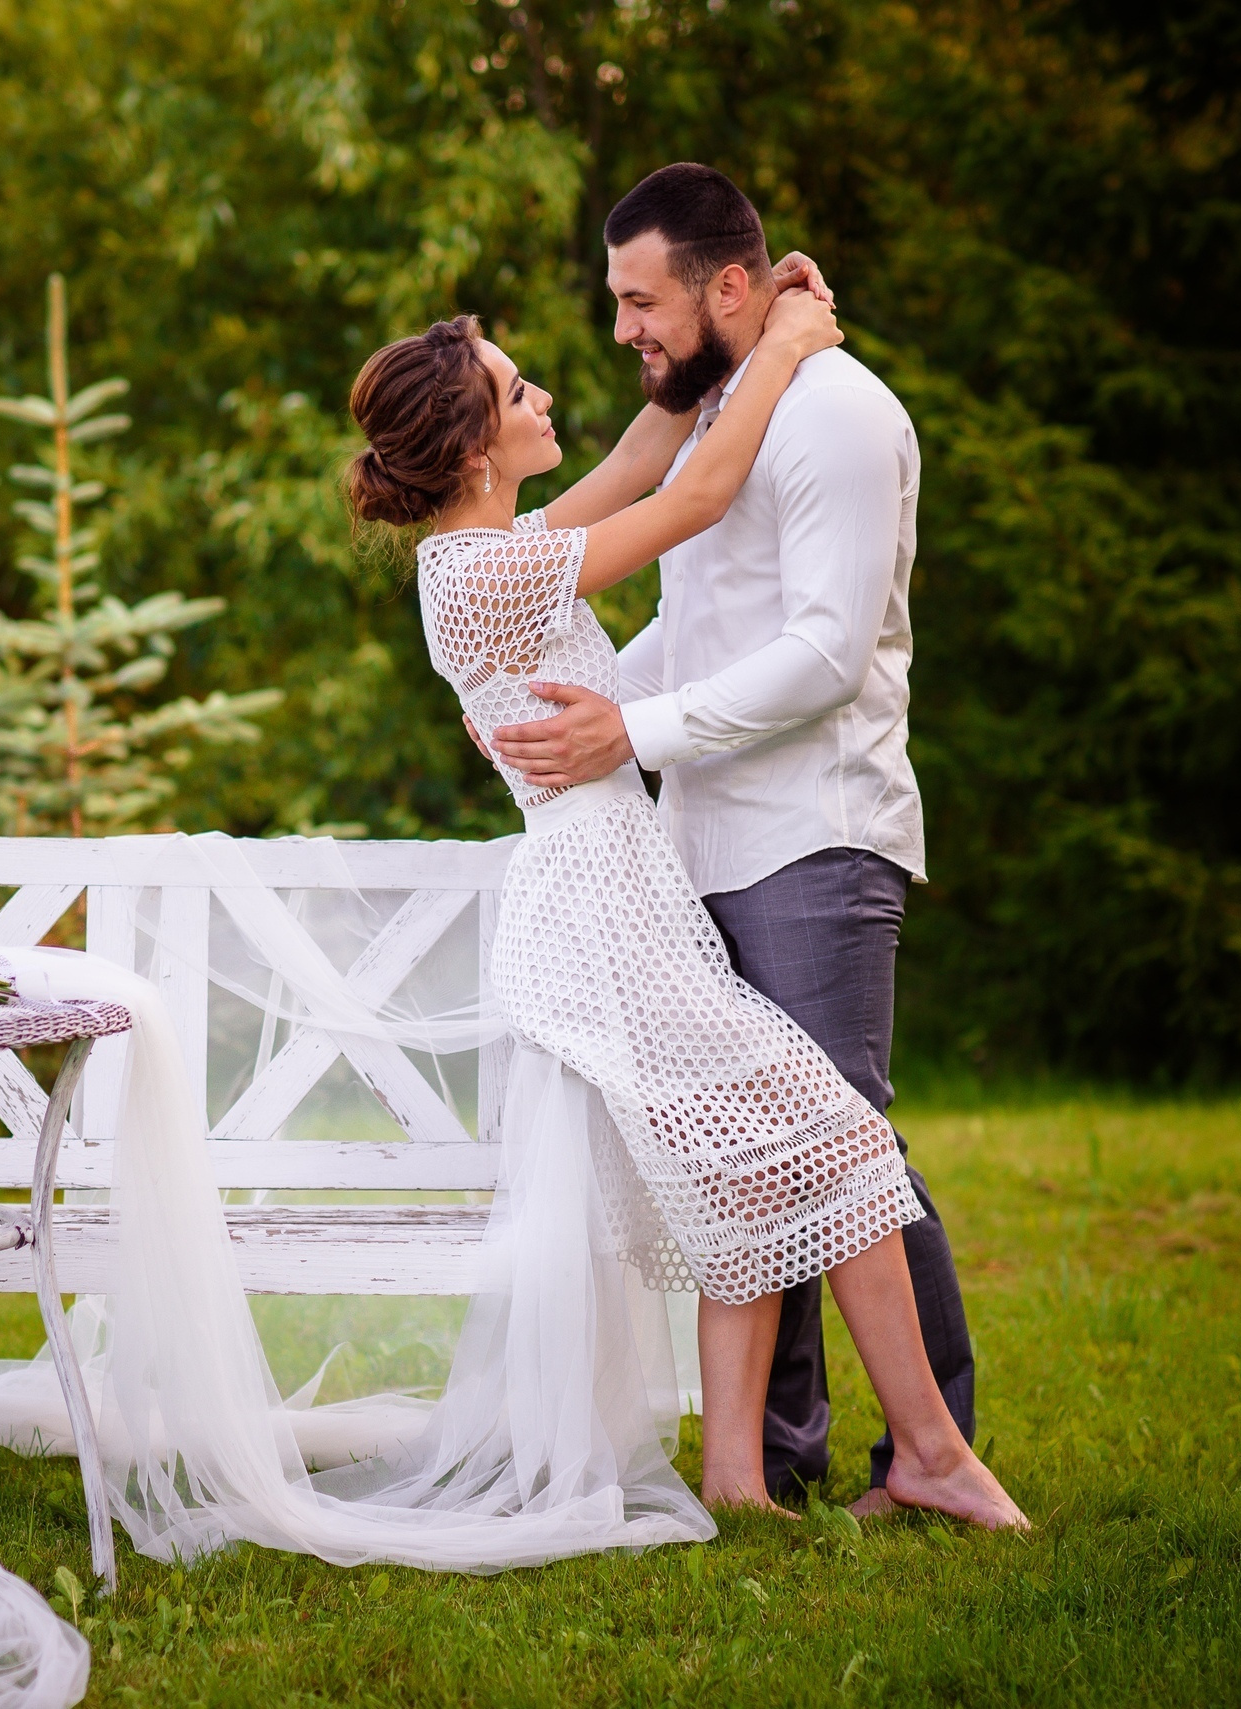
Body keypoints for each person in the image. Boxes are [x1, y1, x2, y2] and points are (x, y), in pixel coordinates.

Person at [347, 281, 1023, 1527]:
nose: (545, 392)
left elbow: (650, 448)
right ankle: (927, 1449)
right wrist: (785, 346)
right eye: (516, 389)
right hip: (605, 908)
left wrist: (737, 338)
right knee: (838, 1144)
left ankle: (738, 1478)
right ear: (475, 446)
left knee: (760, 1172)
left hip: (626, 891)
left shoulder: (502, 548)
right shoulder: (481, 575)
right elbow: (693, 497)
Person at [482, 162, 972, 1517]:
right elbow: (705, 626)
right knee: (769, 1158)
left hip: (816, 834)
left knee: (844, 1146)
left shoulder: (836, 417)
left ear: (732, 286)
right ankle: (788, 1458)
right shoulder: (719, 419)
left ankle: (934, 1453)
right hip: (703, 839)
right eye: (617, 302)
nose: (625, 328)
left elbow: (820, 653)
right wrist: (607, 707)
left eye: (643, 301)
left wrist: (626, 737)